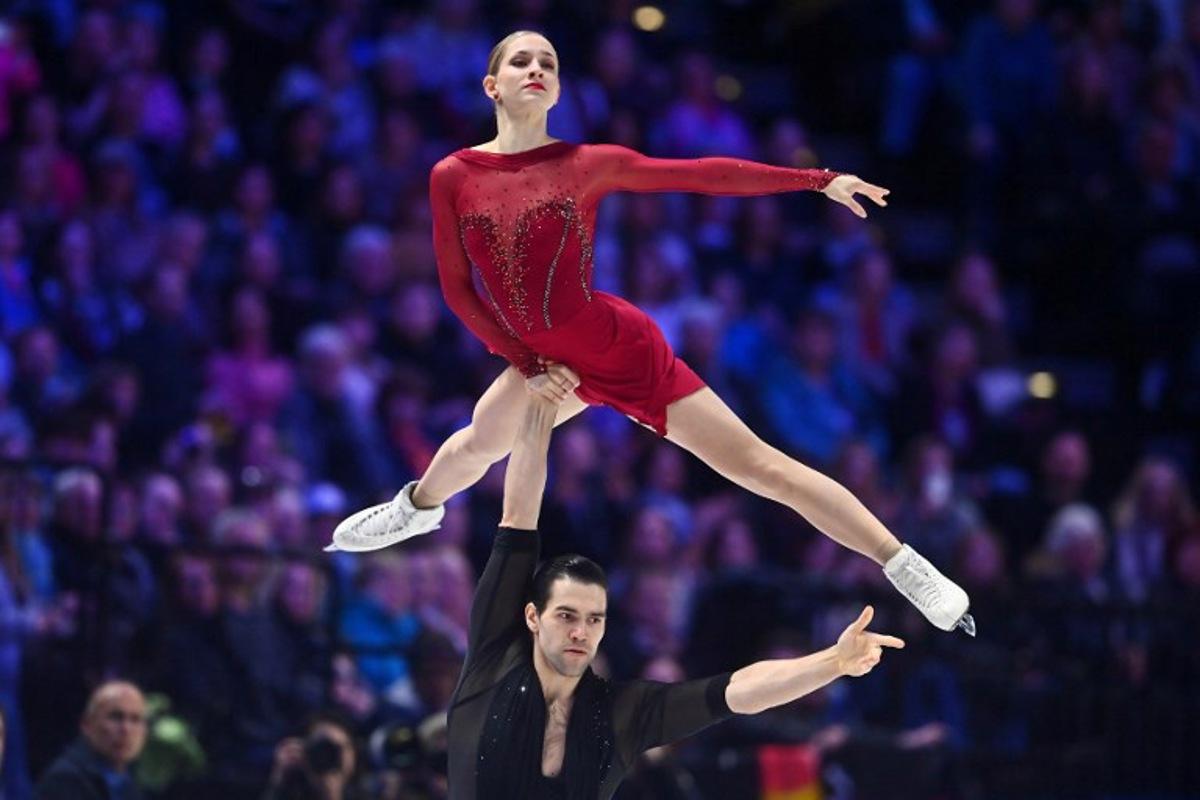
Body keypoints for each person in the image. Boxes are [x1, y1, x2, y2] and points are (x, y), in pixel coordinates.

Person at [328, 30, 973, 636]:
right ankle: (414, 509)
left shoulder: (588, 163)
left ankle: (907, 567)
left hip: (617, 347)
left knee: (760, 468)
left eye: (549, 64)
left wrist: (816, 179)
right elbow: (457, 289)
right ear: (491, 84)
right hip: (545, 358)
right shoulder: (453, 175)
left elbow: (703, 174)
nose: (537, 70)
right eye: (522, 61)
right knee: (474, 445)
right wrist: (526, 363)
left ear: (557, 90)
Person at [444, 386, 906, 799]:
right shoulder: (492, 660)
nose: (581, 631)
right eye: (566, 615)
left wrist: (834, 663)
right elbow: (518, 517)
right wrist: (539, 408)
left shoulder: (619, 716)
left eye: (594, 619)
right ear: (532, 618)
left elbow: (738, 691)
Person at [34, 680, 148, 800]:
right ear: (87, 724)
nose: (126, 729)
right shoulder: (65, 781)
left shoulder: (131, 782)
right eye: (115, 717)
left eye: (135, 719)